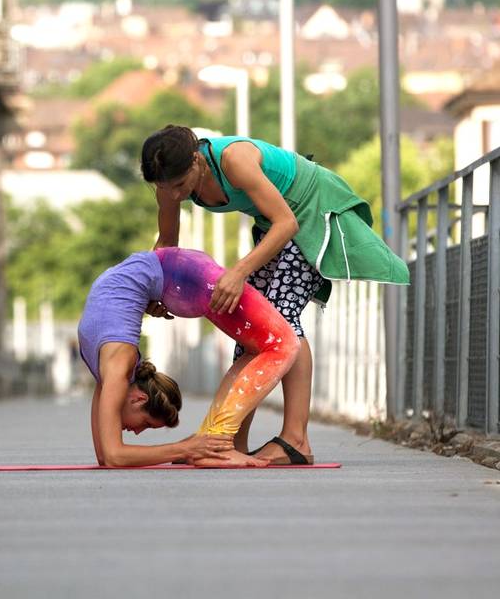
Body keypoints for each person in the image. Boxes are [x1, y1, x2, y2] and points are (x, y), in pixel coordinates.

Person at [140, 125, 410, 463]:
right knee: (248, 329)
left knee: (281, 321)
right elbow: (166, 246)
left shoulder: (234, 159)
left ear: (196, 161)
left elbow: (287, 223)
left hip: (312, 212)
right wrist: (152, 289)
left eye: (181, 185)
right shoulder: (168, 183)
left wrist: (238, 272)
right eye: (166, 189)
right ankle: (227, 441)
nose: (176, 195)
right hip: (275, 226)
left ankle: (296, 440)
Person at [78, 247, 300, 468]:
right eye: (146, 424)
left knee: (283, 344)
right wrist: (188, 447)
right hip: (177, 272)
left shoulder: (117, 367)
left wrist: (191, 448)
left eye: (145, 424)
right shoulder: (114, 369)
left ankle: (217, 445)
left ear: (139, 399)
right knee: (271, 346)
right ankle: (215, 444)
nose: (136, 432)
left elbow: (112, 456)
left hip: (185, 276)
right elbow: (109, 456)